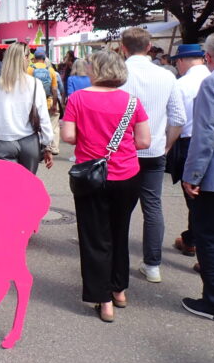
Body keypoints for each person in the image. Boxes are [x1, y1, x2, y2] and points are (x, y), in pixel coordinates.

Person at [61, 50, 151, 322]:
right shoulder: (132, 102)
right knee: (119, 232)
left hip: (92, 177)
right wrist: (121, 147)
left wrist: (92, 142)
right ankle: (119, 290)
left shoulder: (78, 98)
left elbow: (67, 136)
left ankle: (103, 299)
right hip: (126, 175)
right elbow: (145, 141)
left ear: (95, 70)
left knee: (94, 237)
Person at [120, 27, 186, 284]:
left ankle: (117, 261)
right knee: (153, 207)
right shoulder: (167, 76)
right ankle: (153, 264)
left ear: (123, 47)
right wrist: (166, 146)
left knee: (120, 206)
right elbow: (179, 118)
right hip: (155, 150)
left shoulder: (120, 75)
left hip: (124, 151)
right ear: (149, 47)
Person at [181, 31, 214, 322]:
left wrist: (192, 175)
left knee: (209, 236)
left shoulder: (213, 83)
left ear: (209, 57)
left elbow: (205, 134)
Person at [168, 44, 210, 259]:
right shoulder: (213, 77)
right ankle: (191, 237)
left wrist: (167, 146)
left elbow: (176, 120)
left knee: (194, 197)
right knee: (207, 196)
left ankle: (196, 242)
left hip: (189, 142)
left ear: (182, 61)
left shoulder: (182, 84)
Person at [0, 43, 53, 174]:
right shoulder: (35, 83)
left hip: (5, 140)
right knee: (28, 186)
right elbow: (43, 117)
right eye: (28, 56)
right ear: (25, 58)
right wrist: (47, 145)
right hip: (29, 141)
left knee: (6, 188)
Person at [27, 47, 61, 155]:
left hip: (34, 102)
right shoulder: (51, 71)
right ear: (44, 57)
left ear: (34, 58)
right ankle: (52, 147)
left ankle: (38, 149)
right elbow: (54, 90)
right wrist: (54, 104)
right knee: (51, 124)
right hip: (48, 101)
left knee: (36, 126)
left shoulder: (29, 69)